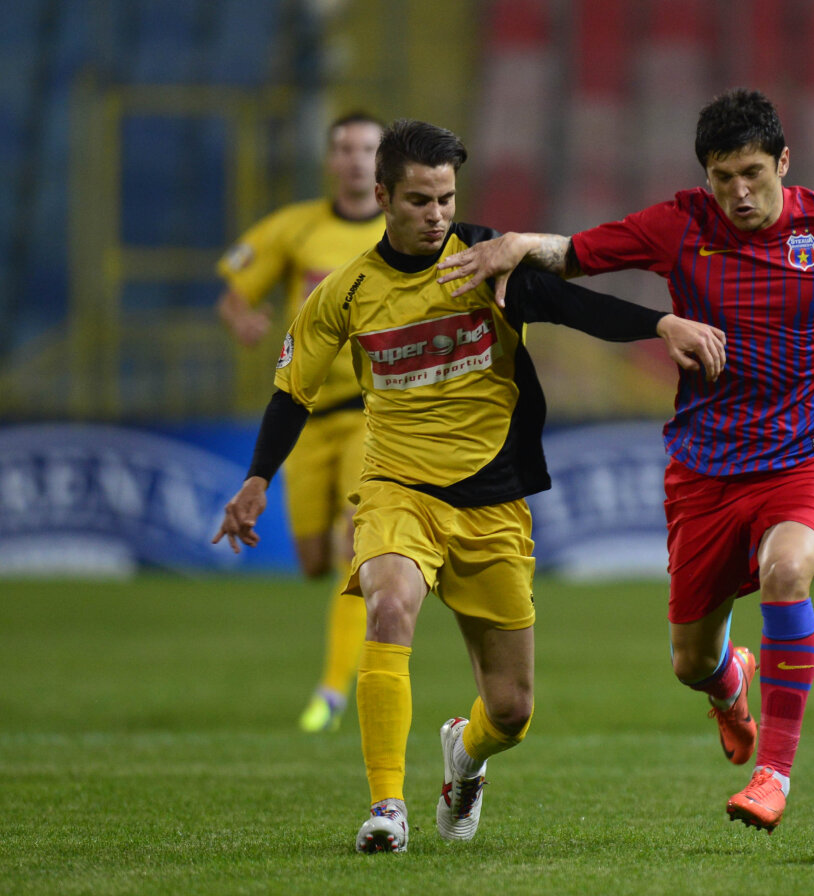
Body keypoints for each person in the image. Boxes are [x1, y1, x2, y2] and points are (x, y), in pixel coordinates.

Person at [436, 87, 814, 833]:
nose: (739, 191)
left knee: (788, 571)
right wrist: (513, 245)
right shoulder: (679, 225)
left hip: (804, 460)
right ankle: (732, 682)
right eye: (722, 177)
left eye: (753, 172)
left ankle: (774, 776)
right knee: (691, 662)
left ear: (784, 161)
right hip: (703, 474)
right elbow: (573, 255)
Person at [212, 118, 727, 853]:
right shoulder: (346, 293)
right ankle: (388, 807)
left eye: (447, 199)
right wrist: (258, 478)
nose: (437, 216)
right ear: (384, 196)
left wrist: (661, 324)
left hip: (491, 501)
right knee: (387, 605)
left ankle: (465, 756)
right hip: (399, 489)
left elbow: (570, 305)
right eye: (420, 200)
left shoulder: (486, 262)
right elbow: (292, 392)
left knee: (512, 711)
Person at [215, 112, 384, 733]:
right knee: (313, 559)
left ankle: (332, 693)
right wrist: (242, 320)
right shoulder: (297, 227)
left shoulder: (401, 231)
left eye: (368, 147)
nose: (356, 159)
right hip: (304, 419)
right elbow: (236, 288)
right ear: (329, 159)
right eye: (344, 147)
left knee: (352, 549)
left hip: (372, 416)